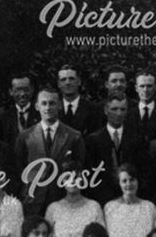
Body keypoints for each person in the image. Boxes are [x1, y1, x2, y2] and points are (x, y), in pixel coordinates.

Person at [14, 86, 85, 217]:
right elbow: (19, 169)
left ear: (59, 105)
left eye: (52, 103)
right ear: (36, 106)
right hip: (32, 200)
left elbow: (79, 167)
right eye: (44, 103)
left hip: (62, 199)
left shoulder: (73, 136)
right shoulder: (25, 136)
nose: (47, 108)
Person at [45, 161, 105, 237]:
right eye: (67, 177)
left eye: (76, 177)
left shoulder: (93, 206)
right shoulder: (53, 208)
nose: (72, 181)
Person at [85, 93, 152, 205]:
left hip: (132, 198)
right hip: (101, 199)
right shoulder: (93, 140)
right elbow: (90, 174)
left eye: (122, 109)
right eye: (114, 109)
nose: (118, 113)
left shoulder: (138, 139)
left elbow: (144, 172)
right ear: (106, 110)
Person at [104, 164, 156, 237]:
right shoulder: (110, 207)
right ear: (119, 183)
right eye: (124, 181)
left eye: (132, 180)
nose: (128, 184)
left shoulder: (149, 207)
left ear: (137, 181)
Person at [58, 64, 102, 136]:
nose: (67, 83)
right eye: (63, 79)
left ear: (79, 81)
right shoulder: (52, 108)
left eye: (71, 79)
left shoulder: (93, 109)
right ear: (59, 84)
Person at [127, 70, 156, 142]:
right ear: (136, 88)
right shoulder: (127, 114)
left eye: (149, 86)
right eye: (142, 86)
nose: (145, 90)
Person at [7, 74, 39, 141]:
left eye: (26, 89)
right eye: (18, 90)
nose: (22, 94)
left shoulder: (40, 114)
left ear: (32, 90)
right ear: (11, 92)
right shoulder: (4, 118)